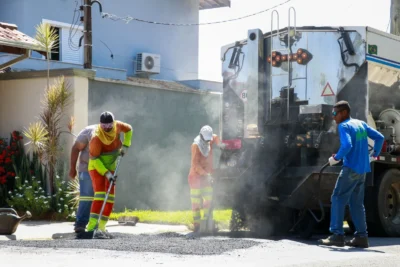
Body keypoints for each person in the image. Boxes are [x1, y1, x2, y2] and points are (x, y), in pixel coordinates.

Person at [318, 101, 384, 248]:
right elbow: (379, 137)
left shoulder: (344, 126)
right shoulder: (360, 124)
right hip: (363, 170)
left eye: (335, 113)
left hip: (350, 169)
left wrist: (336, 158)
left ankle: (337, 235)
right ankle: (361, 237)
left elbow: (347, 145)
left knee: (338, 198)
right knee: (356, 204)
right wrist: (375, 155)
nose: (333, 117)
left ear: (344, 113)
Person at [86, 111, 132, 238]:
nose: (107, 128)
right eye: (104, 125)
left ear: (113, 122)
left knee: (110, 198)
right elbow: (95, 160)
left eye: (109, 124)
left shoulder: (118, 126)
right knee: (100, 195)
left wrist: (126, 145)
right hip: (96, 167)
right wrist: (106, 174)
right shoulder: (96, 138)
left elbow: (129, 130)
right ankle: (91, 228)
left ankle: (101, 227)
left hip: (111, 166)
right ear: (100, 124)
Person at [188, 125, 225, 233]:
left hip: (206, 177)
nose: (208, 141)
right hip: (195, 177)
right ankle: (197, 226)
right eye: (206, 139)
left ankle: (206, 224)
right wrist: (206, 174)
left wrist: (220, 144)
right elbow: (195, 164)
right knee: (196, 203)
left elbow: (215, 137)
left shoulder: (209, 139)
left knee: (208, 200)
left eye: (209, 140)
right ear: (201, 136)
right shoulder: (196, 145)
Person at [68, 124, 96, 233]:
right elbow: (75, 148)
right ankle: (80, 224)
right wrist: (72, 168)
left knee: (100, 198)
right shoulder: (89, 132)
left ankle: (96, 224)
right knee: (87, 197)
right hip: (87, 169)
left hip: (104, 171)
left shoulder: (113, 133)